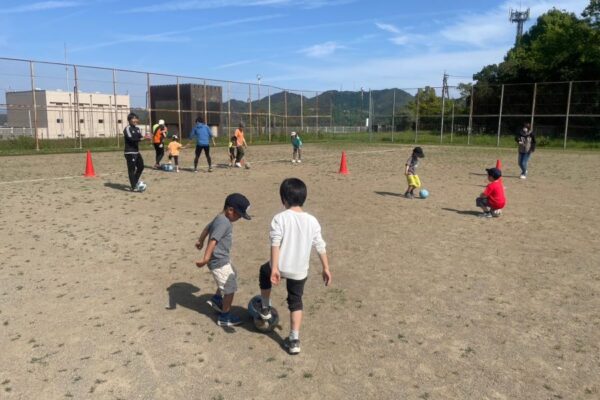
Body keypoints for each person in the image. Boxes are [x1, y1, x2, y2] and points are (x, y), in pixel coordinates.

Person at [257, 178, 331, 355]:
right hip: (299, 270)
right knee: (296, 301)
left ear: (283, 199)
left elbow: (275, 243)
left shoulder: (279, 218)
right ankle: (294, 339)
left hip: (281, 266)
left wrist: (274, 268)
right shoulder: (312, 221)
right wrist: (326, 268)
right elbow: (320, 245)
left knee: (264, 271)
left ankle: (265, 308)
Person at [195, 193, 251, 327]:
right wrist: (205, 258)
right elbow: (213, 240)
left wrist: (200, 240)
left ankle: (217, 299)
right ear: (230, 210)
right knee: (229, 288)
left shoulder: (219, 218)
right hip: (218, 261)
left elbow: (207, 229)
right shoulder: (224, 223)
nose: (239, 218)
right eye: (239, 215)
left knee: (233, 273)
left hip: (222, 259)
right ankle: (225, 316)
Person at [123, 112, 147, 192]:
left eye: (136, 118)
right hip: (129, 152)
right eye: (134, 118)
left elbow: (140, 137)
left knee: (141, 166)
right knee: (131, 170)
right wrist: (141, 139)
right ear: (129, 120)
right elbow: (131, 139)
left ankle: (135, 182)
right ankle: (133, 187)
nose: (136, 120)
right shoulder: (127, 128)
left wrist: (146, 137)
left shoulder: (137, 128)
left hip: (136, 152)